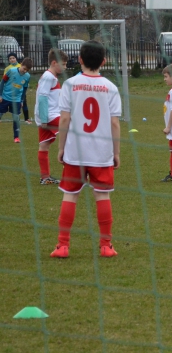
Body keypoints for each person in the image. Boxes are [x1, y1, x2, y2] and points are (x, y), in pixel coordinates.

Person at [51, 40, 122, 259]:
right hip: (101, 153)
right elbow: (114, 124)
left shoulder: (69, 84)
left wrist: (61, 148)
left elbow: (64, 119)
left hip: (76, 153)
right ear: (104, 61)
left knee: (70, 197)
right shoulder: (111, 87)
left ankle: (63, 246)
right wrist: (116, 153)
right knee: (102, 196)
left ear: (80, 60)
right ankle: (106, 246)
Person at [34, 48, 68, 184]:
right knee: (73, 132)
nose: (65, 67)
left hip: (46, 115)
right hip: (49, 116)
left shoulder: (50, 77)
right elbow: (42, 98)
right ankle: (72, 176)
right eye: (63, 64)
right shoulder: (48, 77)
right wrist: (43, 119)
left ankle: (45, 178)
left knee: (44, 145)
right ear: (54, 63)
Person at [0, 56, 32, 143]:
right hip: (6, 97)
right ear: (21, 64)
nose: (25, 71)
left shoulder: (27, 76)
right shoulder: (11, 71)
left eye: (27, 70)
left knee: (16, 118)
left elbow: (25, 88)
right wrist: (0, 95)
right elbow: (2, 82)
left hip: (16, 100)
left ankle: (16, 137)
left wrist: (22, 100)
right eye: (24, 68)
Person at [5, 53, 32, 124]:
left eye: (13, 58)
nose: (12, 60)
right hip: (11, 90)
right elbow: (5, 80)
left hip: (20, 89)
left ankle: (27, 118)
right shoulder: (7, 69)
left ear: (16, 58)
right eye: (10, 58)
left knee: (23, 103)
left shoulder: (21, 66)